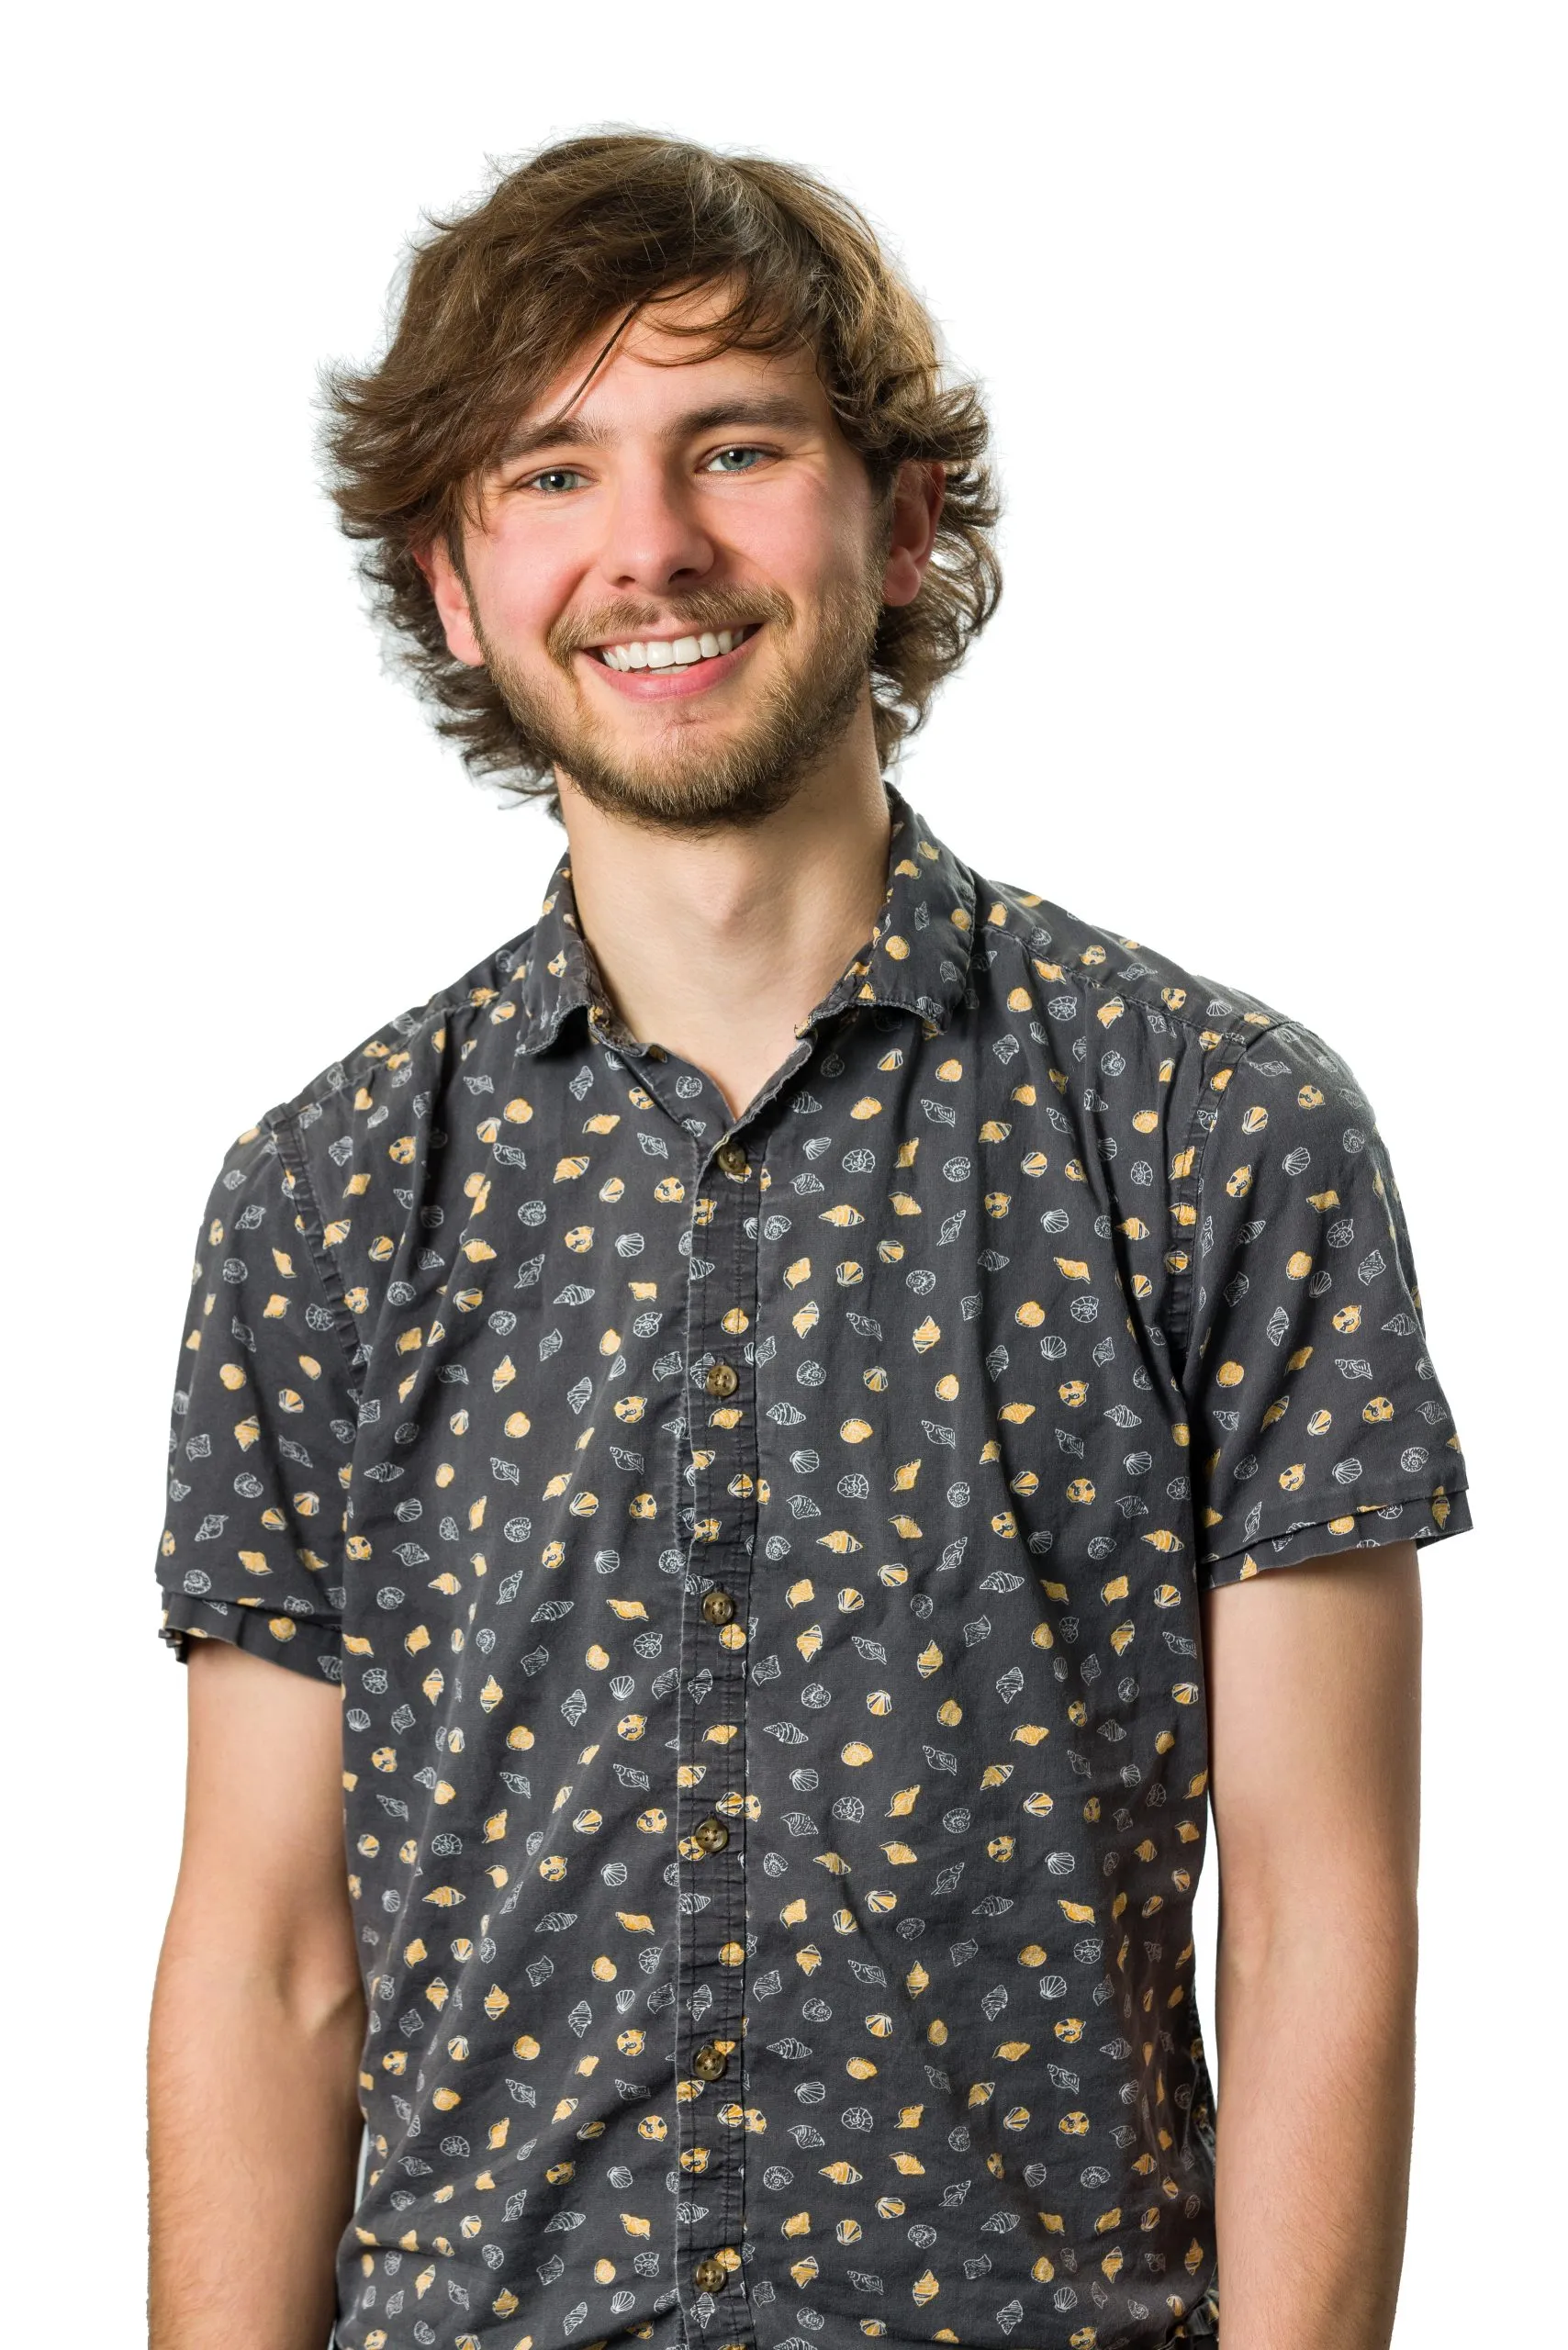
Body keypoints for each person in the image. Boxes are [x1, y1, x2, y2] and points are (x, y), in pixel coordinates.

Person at [146, 131, 1471, 2350]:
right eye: (547, 475)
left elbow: (1317, 1910)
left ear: (902, 517)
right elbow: (274, 1955)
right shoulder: (326, 1195)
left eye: (732, 447)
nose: (648, 547)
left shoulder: (1212, 1128)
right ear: (454, 586)